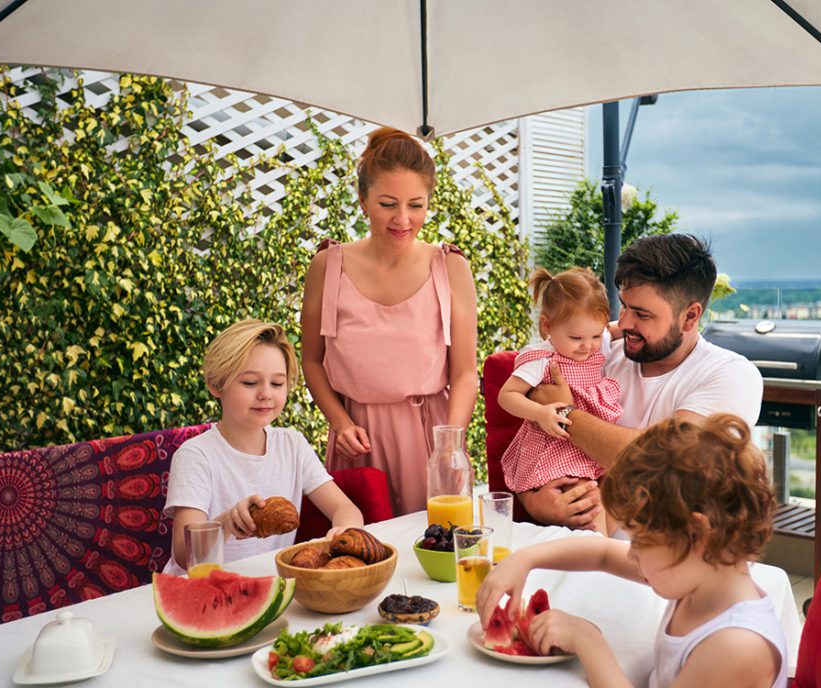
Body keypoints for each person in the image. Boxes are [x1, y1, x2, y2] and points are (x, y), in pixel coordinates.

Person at [476, 414, 785, 688]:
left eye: (639, 541)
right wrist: (524, 559)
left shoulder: (736, 646)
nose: (630, 553)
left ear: (697, 535)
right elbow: (602, 554)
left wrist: (588, 641)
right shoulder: (700, 573)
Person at [520, 233, 763, 529]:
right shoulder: (601, 354)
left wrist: (565, 413)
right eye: (623, 306)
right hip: (584, 551)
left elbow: (663, 461)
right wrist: (532, 501)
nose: (624, 323)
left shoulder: (731, 375)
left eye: (641, 314)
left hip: (674, 562)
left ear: (690, 316)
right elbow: (531, 434)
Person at [301, 127, 479, 516]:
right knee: (361, 562)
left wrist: (450, 445)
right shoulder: (327, 266)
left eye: (416, 205)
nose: (403, 219)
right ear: (363, 200)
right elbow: (311, 361)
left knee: (434, 557)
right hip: (357, 442)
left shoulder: (450, 266)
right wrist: (340, 422)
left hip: (430, 440)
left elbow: (466, 373)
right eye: (387, 204)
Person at [163, 319, 363, 575]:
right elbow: (184, 555)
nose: (266, 394)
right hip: (200, 588)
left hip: (268, 585)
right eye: (249, 383)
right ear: (215, 384)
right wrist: (227, 523)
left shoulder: (292, 445)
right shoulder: (195, 456)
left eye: (277, 384)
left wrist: (341, 532)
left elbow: (345, 509)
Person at [497, 268, 621, 534]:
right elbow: (507, 396)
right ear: (547, 327)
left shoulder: (599, 340)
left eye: (596, 336)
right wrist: (540, 413)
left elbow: (615, 329)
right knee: (590, 508)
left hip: (589, 444)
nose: (587, 346)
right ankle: (597, 560)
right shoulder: (542, 358)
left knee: (610, 504)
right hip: (554, 447)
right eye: (576, 338)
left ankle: (601, 559)